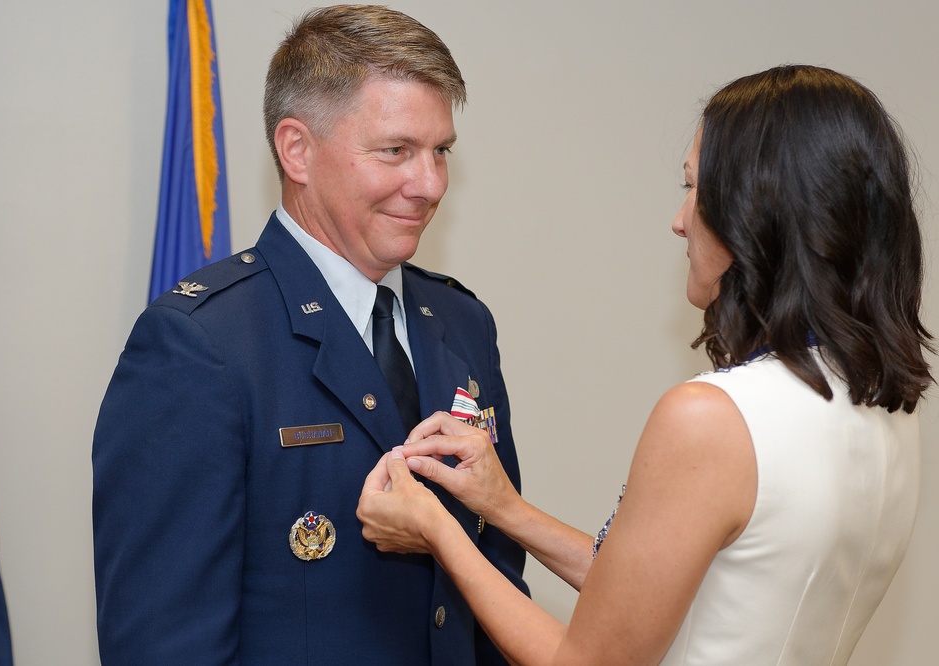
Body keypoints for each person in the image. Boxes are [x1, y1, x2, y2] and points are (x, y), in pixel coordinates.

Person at [358, 64, 933, 665]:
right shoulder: (882, 401)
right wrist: (505, 507)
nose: (679, 221)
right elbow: (663, 593)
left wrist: (438, 532)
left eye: (693, 190)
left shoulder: (712, 418)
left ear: (755, 213)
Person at [92, 5, 527, 664]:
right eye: (396, 152)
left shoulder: (462, 323)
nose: (430, 184)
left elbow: (496, 579)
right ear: (297, 149)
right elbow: (166, 644)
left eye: (441, 152)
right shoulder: (200, 345)